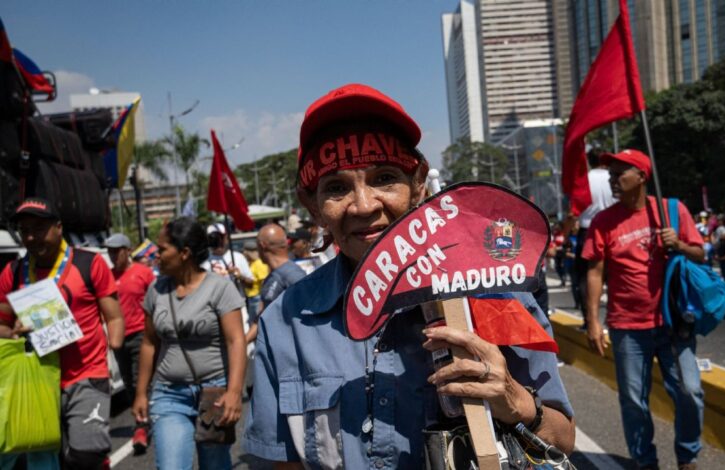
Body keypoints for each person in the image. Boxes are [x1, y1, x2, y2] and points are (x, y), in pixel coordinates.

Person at [243, 83, 575, 467]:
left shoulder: (496, 296)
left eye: (384, 178)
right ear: (313, 207)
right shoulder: (287, 322)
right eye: (336, 188)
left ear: (418, 184)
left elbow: (562, 437)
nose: (364, 206)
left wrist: (514, 401)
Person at [582, 150, 705, 470]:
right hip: (627, 328)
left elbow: (700, 255)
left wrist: (677, 244)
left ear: (641, 176)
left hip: (673, 322)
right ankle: (645, 461)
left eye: (620, 174)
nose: (613, 181)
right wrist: (592, 321)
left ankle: (687, 455)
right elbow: (594, 272)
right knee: (634, 402)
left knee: (690, 392)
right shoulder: (603, 221)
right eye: (610, 175)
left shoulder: (671, 211)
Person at [0, 198, 124, 470]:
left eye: (39, 228)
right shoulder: (12, 272)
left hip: (86, 374)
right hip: (38, 378)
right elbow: (2, 325)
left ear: (59, 227)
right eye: (24, 230)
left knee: (86, 454)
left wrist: (115, 343)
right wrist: (13, 332)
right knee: (44, 452)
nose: (31, 237)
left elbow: (114, 316)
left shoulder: (89, 263)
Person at [131, 218, 247, 470]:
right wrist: (141, 393)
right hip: (168, 394)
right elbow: (149, 343)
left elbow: (236, 341)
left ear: (184, 253)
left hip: (214, 394)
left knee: (215, 465)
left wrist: (234, 393)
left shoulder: (220, 288)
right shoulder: (156, 290)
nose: (156, 256)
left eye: (162, 250)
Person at [105, 232, 157, 453]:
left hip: (141, 335)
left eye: (117, 250)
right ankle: (146, 418)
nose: (113, 255)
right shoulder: (106, 276)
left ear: (128, 251)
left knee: (139, 382)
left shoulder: (143, 273)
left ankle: (141, 427)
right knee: (127, 383)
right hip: (118, 339)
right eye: (110, 251)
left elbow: (157, 302)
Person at [574, 148, 617, 328]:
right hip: (614, 229)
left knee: (584, 278)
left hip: (588, 231)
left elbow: (573, 210)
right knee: (616, 276)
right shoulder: (615, 178)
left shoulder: (584, 181)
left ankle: (589, 320)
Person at [244, 223, 306, 344]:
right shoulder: (271, 276)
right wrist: (243, 341)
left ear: (262, 246)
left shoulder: (293, 275)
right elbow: (263, 315)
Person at [204, 222, 255, 290]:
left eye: (220, 237)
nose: (218, 241)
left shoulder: (238, 257)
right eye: (213, 238)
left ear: (226, 238)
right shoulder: (204, 262)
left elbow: (251, 284)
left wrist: (239, 276)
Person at [242, 240, 270, 325]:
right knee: (253, 322)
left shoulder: (259, 263)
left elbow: (264, 282)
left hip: (257, 298)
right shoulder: (252, 263)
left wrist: (263, 299)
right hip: (252, 298)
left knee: (256, 323)